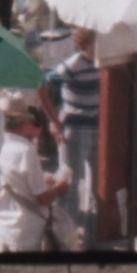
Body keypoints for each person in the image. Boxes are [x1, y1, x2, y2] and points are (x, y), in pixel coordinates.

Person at [39, 27, 101, 243]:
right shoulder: (73, 65)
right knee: (69, 184)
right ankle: (64, 236)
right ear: (85, 44)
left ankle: (91, 233)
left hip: (98, 128)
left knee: (97, 183)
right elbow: (42, 84)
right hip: (74, 129)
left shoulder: (103, 63)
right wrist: (53, 119)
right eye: (96, 42)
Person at [0, 93, 70, 252]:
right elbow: (42, 199)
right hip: (25, 231)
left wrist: (43, 181)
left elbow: (14, 181)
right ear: (23, 123)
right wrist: (58, 190)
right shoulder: (25, 150)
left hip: (0, 228)